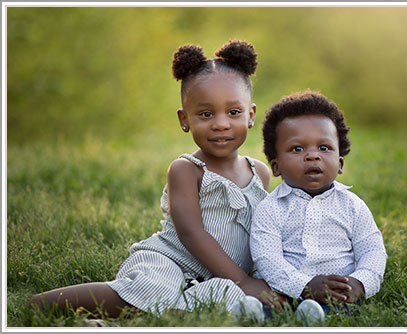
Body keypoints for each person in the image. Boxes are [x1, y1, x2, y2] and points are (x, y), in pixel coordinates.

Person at [30, 40, 283, 321]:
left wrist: (258, 277)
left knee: (225, 300)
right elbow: (191, 233)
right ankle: (42, 303)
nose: (221, 123)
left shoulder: (259, 172)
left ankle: (126, 319)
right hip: (170, 262)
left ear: (250, 115)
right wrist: (244, 281)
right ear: (184, 119)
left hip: (219, 275)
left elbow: (262, 234)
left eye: (233, 112)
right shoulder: (186, 170)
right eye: (206, 114)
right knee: (153, 291)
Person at [249, 90, 387, 322]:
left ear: (340, 163)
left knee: (342, 309)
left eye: (324, 148)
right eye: (297, 149)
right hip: (285, 290)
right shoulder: (270, 208)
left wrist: (361, 282)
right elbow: (266, 258)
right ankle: (252, 313)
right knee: (269, 304)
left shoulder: (353, 206)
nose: (313, 156)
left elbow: (372, 250)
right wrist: (303, 286)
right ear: (276, 167)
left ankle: (317, 316)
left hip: (337, 291)